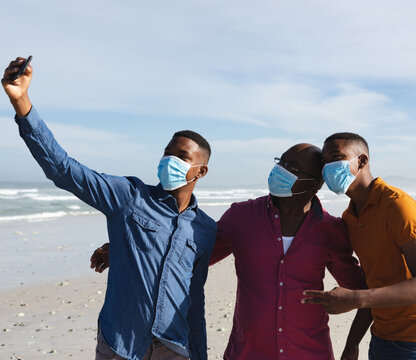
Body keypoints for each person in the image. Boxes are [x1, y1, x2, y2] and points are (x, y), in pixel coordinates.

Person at [2, 57, 216, 360]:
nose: (170, 161)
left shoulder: (204, 228)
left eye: (181, 156)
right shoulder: (129, 197)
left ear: (200, 171)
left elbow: (194, 298)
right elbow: (64, 170)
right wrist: (21, 101)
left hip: (174, 346)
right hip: (122, 343)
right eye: (167, 153)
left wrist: (200, 353)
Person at [92, 143, 373, 360]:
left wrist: (351, 345)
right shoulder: (242, 217)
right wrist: (122, 251)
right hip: (245, 353)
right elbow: (187, 253)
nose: (280, 170)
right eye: (281, 162)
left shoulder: (331, 231)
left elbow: (362, 293)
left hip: (311, 353)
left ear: (313, 184)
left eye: (293, 167)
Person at [302, 132, 416, 359]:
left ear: (361, 161)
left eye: (336, 157)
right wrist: (352, 344)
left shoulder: (397, 206)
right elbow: (374, 283)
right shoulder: (350, 217)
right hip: (381, 336)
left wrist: (355, 298)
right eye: (324, 162)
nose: (329, 167)